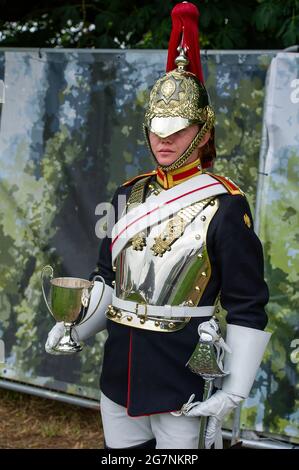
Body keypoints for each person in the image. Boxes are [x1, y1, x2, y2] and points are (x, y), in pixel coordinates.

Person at [45, 2, 271, 449]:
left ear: (203, 132)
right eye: (157, 128)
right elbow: (107, 279)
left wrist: (234, 390)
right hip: (120, 370)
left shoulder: (226, 204)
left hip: (182, 373)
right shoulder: (127, 194)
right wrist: (77, 326)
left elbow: (247, 304)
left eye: (179, 128)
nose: (164, 139)